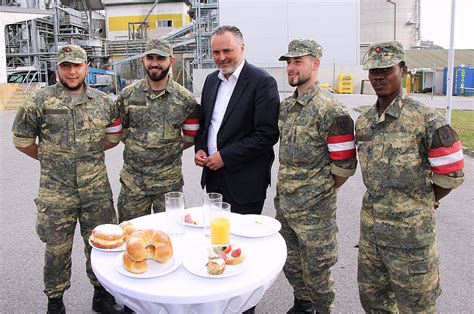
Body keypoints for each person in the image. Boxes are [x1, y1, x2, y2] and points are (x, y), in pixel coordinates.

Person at [11, 45, 124, 313]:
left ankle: (102, 296)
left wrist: (87, 154)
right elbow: (22, 139)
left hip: (95, 190)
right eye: (66, 66)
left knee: (100, 244)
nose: (72, 72)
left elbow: (114, 136)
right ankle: (55, 301)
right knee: (56, 250)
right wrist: (50, 158)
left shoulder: (104, 102)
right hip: (56, 191)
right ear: (57, 69)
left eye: (77, 66)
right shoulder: (40, 101)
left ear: (86, 68)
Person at [356, 41, 465, 312]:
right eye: (373, 71)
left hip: (411, 242)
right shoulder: (365, 122)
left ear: (402, 70)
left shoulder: (426, 119)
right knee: (374, 304)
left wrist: (425, 199)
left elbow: (452, 172)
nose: (378, 76)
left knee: (417, 307)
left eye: (386, 69)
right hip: (372, 240)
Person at [275, 39, 357, 313]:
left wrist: (319, 193)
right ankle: (303, 304)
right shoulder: (287, 107)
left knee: (317, 273)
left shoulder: (330, 109)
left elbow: (344, 164)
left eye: (298, 61)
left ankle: (322, 310)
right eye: (288, 62)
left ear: (315, 64)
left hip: (315, 213)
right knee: (290, 262)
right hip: (285, 207)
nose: (291, 67)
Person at [194, 25, 280, 215]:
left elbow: (266, 135)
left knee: (242, 239)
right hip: (214, 178)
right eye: (216, 52)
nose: (221, 57)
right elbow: (206, 124)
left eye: (227, 50)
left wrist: (225, 156)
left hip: (245, 183)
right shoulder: (211, 81)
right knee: (216, 237)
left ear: (242, 48)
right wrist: (200, 147)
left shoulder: (262, 82)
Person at [116, 38, 201, 221]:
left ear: (171, 61)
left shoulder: (186, 100)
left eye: (160, 58)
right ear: (143, 60)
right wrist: (141, 146)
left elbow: (190, 137)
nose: (155, 63)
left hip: (169, 185)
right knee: (132, 237)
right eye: (150, 57)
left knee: (173, 237)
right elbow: (121, 132)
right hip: (133, 185)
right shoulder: (127, 95)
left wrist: (168, 147)